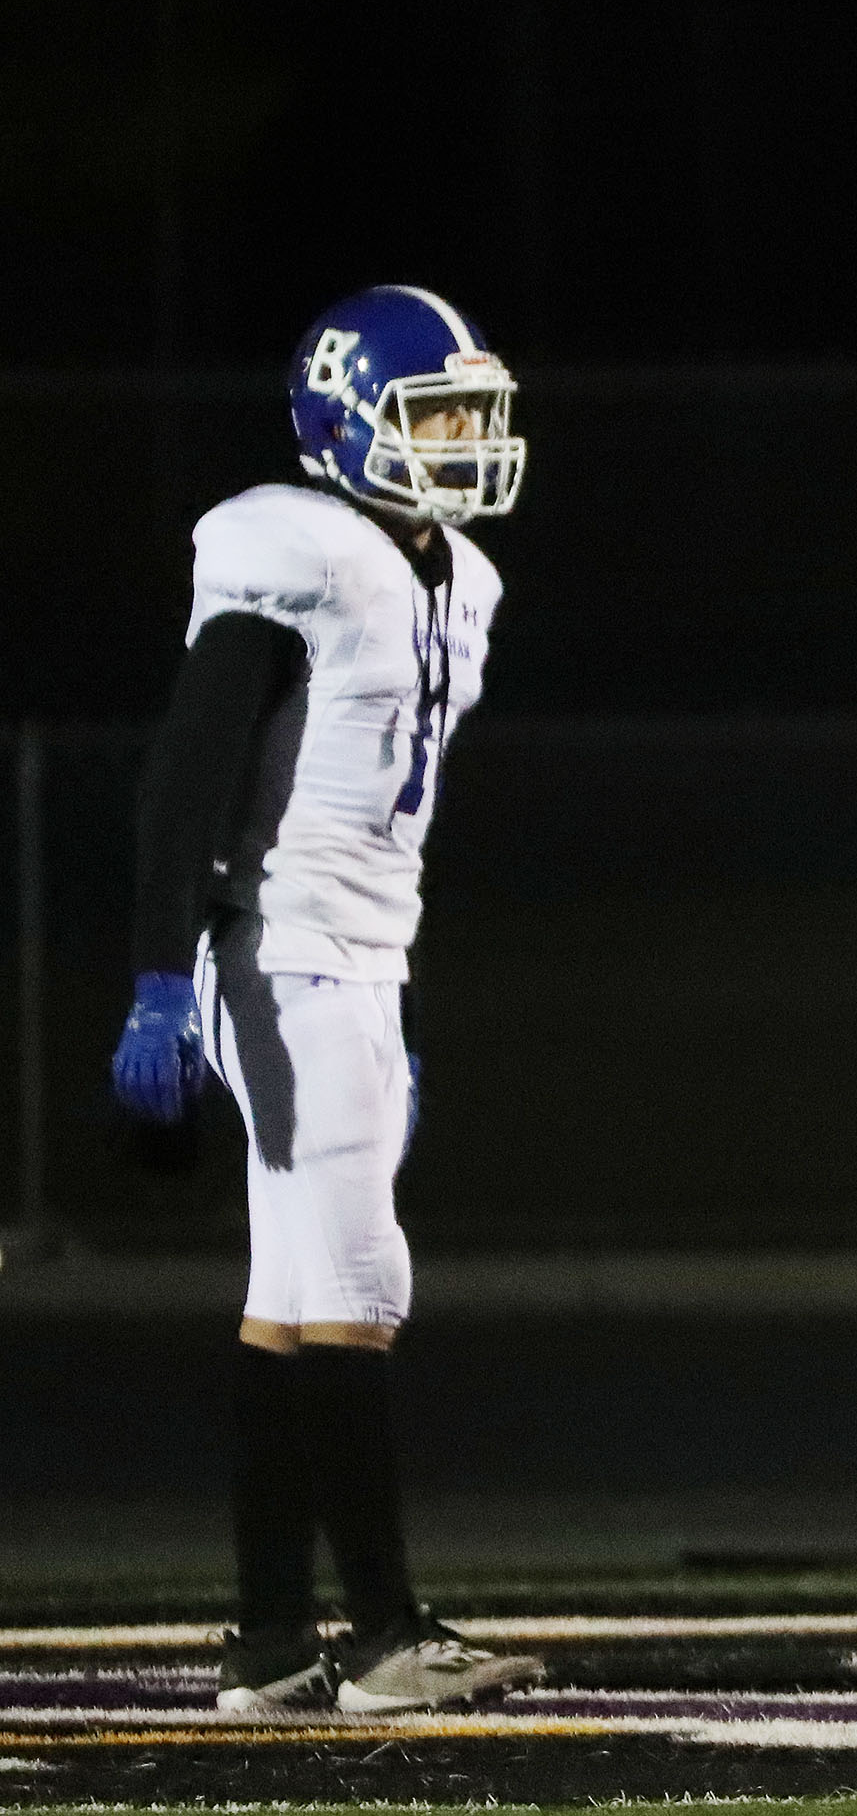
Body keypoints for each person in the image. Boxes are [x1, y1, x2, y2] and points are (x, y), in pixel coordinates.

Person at [109, 285, 546, 1715]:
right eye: (434, 417)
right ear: (344, 423)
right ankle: (383, 1634)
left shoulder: (448, 578)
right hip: (288, 951)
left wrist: (379, 994)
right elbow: (186, 770)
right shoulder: (294, 554)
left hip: (347, 956)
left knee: (292, 1293)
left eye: (475, 412)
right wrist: (161, 974)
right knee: (362, 1286)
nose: (467, 441)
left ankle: (269, 1643)